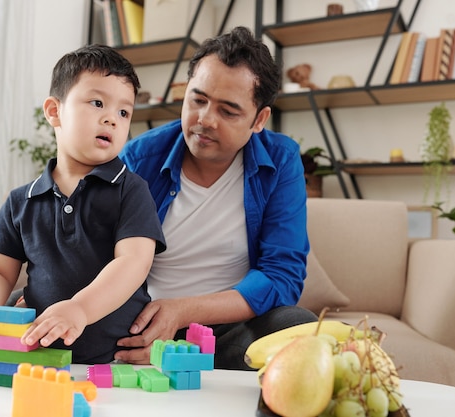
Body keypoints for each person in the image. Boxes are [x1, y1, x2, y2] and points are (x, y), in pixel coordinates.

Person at [0, 45, 166, 364]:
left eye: (124, 112)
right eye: (98, 102)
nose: (112, 119)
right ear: (54, 111)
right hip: (39, 355)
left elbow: (133, 263)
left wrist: (80, 308)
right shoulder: (21, 200)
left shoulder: (131, 190)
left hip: (115, 360)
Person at [115, 26, 318, 370]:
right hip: (141, 320)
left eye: (228, 111)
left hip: (226, 330)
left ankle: (192, 358)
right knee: (31, 307)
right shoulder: (139, 158)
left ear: (259, 119)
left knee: (297, 328)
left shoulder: (281, 161)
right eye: (198, 100)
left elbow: (282, 276)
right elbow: (96, 249)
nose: (204, 120)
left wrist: (184, 310)